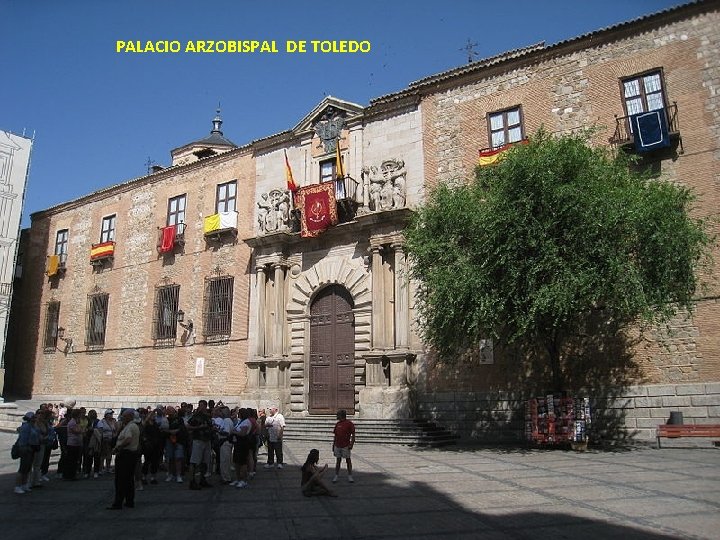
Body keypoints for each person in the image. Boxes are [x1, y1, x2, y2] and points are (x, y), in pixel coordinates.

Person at [107, 409, 140, 510]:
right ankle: (129, 501)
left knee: (121, 479)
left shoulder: (130, 427)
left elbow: (128, 439)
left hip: (125, 454)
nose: (122, 418)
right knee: (129, 479)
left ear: (130, 416)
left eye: (124, 416)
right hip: (131, 454)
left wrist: (118, 447)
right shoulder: (134, 426)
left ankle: (118, 502)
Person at [186, 400, 214, 490]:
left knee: (205, 461)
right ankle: (192, 481)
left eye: (202, 405)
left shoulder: (208, 416)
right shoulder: (196, 416)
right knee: (194, 461)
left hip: (207, 440)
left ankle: (203, 479)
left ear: (205, 406)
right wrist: (198, 427)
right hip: (198, 440)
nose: (200, 407)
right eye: (199, 405)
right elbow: (188, 426)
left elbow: (210, 426)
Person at [14, 411, 40, 494]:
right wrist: (25, 448)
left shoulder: (33, 426)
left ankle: (24, 484)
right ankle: (17, 486)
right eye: (33, 417)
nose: (35, 418)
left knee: (27, 468)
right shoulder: (26, 427)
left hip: (32, 448)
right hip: (26, 449)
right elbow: (23, 439)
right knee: (23, 468)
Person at [332, 409, 355, 483]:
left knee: (348, 460)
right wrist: (333, 445)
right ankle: (336, 475)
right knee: (338, 461)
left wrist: (351, 444)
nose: (336, 416)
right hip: (337, 445)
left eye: (337, 415)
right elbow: (335, 435)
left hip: (346, 445)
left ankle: (350, 475)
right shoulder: (337, 424)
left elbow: (353, 434)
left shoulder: (349, 423)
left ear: (341, 416)